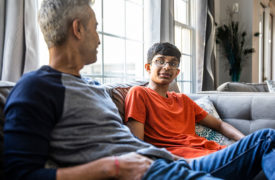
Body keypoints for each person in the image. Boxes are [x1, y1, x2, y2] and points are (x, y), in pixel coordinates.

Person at [3, 0, 274, 180]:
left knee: (266, 139)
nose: (98, 38)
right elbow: (19, 173)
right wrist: (113, 167)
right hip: (146, 172)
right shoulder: (37, 87)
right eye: (95, 29)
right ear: (77, 29)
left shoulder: (93, 88)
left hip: (169, 163)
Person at [124, 42, 245, 159]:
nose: (166, 67)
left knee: (261, 140)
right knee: (263, 140)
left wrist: (245, 141)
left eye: (173, 63)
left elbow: (219, 125)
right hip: (191, 160)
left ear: (177, 73)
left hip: (215, 152)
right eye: (160, 61)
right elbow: (138, 145)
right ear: (148, 67)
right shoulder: (139, 93)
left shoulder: (183, 100)